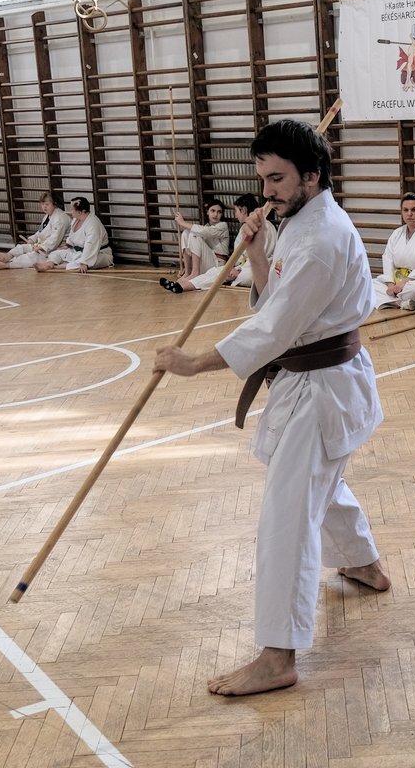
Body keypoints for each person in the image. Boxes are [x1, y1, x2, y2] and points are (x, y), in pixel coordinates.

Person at [153, 119, 390, 696]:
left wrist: (194, 363)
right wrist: (257, 251)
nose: (268, 192)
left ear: (312, 175)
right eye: (263, 179)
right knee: (320, 484)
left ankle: (278, 654)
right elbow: (273, 298)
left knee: (287, 516)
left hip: (322, 388)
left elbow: (272, 330)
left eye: (278, 178)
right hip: (315, 381)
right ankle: (361, 563)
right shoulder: (300, 223)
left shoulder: (320, 239)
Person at [162, 195, 279, 294]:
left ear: (243, 210)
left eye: (236, 211)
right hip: (242, 267)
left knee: (240, 275)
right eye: (212, 211)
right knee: (214, 272)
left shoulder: (265, 226)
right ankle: (183, 286)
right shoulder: (245, 227)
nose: (235, 215)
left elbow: (259, 256)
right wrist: (235, 267)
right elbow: (240, 256)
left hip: (257, 269)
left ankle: (192, 278)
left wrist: (238, 268)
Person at [0, 192, 70, 270]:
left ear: (54, 204)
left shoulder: (60, 219)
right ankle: (7, 256)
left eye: (47, 204)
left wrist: (41, 247)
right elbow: (40, 232)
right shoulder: (48, 216)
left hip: (57, 249)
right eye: (42, 204)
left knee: (32, 256)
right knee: (22, 247)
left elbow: (55, 240)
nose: (44, 207)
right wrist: (33, 239)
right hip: (45, 245)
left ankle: (5, 265)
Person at [33, 197, 113, 272]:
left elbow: (91, 245)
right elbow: (72, 236)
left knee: (77, 263)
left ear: (79, 212)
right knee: (56, 253)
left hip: (99, 254)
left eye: (72, 209)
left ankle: (56, 267)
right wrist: (68, 245)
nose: (70, 211)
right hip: (78, 252)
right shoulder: (76, 220)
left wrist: (84, 263)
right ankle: (49, 264)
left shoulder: (93, 224)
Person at [167, 200, 229, 285]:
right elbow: (201, 237)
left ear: (222, 214)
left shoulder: (223, 226)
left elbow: (206, 231)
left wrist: (182, 222)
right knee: (186, 233)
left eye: (219, 212)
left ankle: (195, 274)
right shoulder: (206, 226)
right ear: (207, 212)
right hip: (206, 263)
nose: (215, 214)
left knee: (194, 234)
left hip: (218, 264)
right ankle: (188, 272)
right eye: (213, 211)